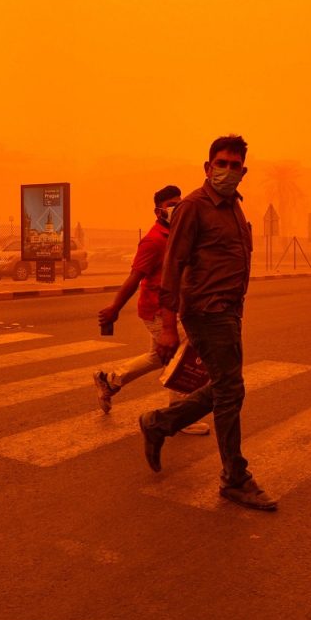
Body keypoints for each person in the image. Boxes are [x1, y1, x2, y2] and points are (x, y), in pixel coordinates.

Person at [138, 135, 278, 512]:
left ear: (243, 171)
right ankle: (234, 477)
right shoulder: (193, 208)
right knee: (231, 391)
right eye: (222, 163)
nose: (228, 171)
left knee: (227, 388)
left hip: (230, 312)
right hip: (204, 310)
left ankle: (159, 422)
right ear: (207, 166)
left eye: (235, 165)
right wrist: (169, 326)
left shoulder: (234, 209)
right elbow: (173, 267)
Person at [93, 185, 210, 435]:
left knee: (158, 356)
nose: (177, 209)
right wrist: (115, 307)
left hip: (173, 306)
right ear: (159, 211)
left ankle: (110, 380)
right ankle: (179, 415)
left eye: (180, 204)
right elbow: (135, 277)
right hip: (157, 309)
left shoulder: (178, 235)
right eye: (172, 205)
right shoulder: (153, 241)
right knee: (183, 353)